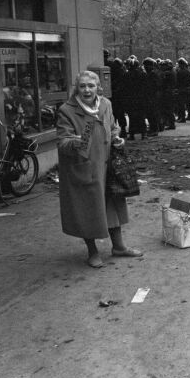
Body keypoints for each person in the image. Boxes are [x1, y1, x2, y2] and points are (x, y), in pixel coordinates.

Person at [56, 70, 143, 268]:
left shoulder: (105, 104)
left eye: (91, 86)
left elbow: (112, 127)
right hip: (84, 168)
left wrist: (117, 138)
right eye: (82, 86)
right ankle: (92, 252)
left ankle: (119, 247)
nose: (87, 90)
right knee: (88, 210)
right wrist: (76, 143)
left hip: (107, 165)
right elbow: (62, 142)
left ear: (98, 88)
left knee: (112, 206)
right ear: (76, 88)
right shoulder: (66, 110)